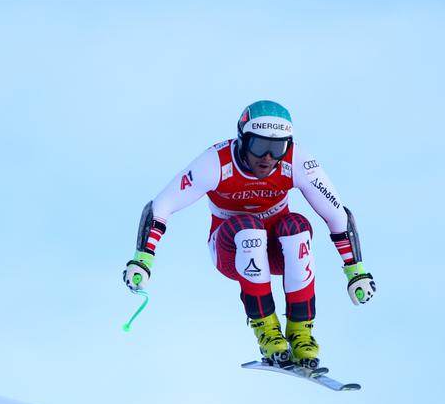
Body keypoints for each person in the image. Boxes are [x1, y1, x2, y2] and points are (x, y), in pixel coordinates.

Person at [122, 100, 376, 368]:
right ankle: (267, 330)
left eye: (277, 148)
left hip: (276, 253)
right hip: (231, 250)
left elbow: (337, 215)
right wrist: (143, 260)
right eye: (260, 146)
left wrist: (356, 272)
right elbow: (161, 206)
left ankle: (302, 333)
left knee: (297, 226)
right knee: (248, 227)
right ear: (242, 140)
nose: (268, 158)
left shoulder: (297, 161)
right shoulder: (215, 163)